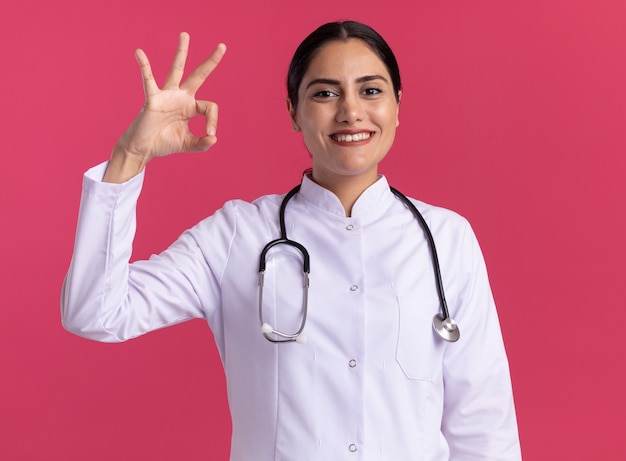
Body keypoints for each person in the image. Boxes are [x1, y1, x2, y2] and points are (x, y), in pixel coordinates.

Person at [62, 20, 522, 460]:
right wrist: (131, 154)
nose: (350, 111)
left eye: (371, 90)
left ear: (397, 106)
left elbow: (483, 425)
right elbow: (96, 312)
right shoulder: (237, 235)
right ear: (293, 112)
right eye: (324, 93)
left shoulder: (447, 239)